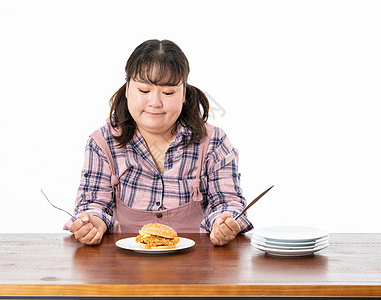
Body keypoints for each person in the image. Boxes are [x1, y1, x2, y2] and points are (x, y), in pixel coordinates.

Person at [64, 39, 253, 246]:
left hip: (196, 269)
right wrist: (91, 222)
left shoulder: (214, 142)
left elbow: (229, 203)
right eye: (144, 91)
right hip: (123, 270)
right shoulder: (102, 143)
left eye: (168, 92)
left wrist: (224, 221)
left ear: (183, 94)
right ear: (127, 90)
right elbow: (92, 204)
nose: (155, 102)